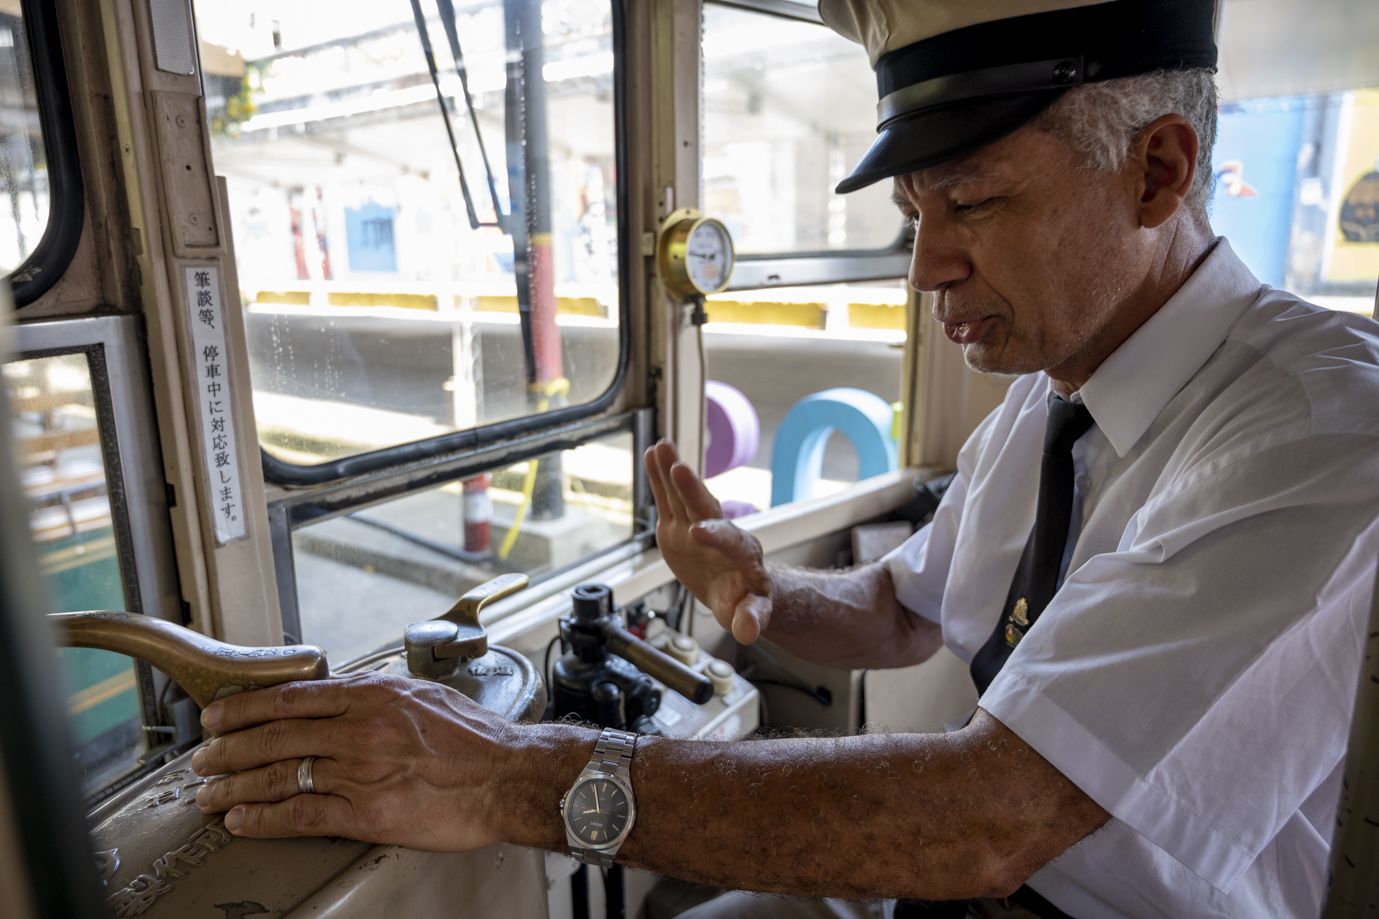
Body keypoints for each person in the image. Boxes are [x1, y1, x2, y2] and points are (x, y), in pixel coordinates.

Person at [189, 0, 1379, 915]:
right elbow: (906, 611)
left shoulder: (1314, 431)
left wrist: (501, 774)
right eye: (915, 214)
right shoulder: (1055, 382)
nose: (924, 270)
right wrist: (758, 583)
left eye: (971, 202)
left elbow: (988, 815)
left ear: (1157, 172)